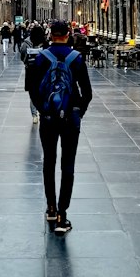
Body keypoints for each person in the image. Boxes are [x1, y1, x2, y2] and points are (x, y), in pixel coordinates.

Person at [26, 17, 93, 234]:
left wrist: (44, 110)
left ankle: (51, 208)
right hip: (70, 119)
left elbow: (32, 89)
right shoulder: (77, 58)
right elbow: (87, 93)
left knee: (49, 162)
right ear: (67, 35)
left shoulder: (41, 58)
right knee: (68, 165)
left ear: (51, 35)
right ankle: (63, 216)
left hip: (48, 119)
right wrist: (78, 112)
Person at [21, 22, 45, 123]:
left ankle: (34, 115)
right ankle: (42, 112)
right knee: (43, 92)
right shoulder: (45, 42)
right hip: (43, 72)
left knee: (33, 93)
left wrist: (27, 62)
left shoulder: (26, 43)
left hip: (31, 71)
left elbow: (22, 55)